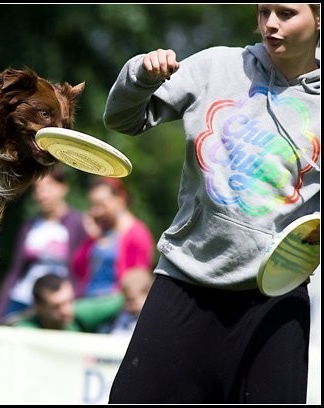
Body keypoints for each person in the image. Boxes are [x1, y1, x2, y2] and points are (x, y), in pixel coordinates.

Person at [103, 4, 320, 403]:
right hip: (187, 281)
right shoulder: (216, 66)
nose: (270, 24)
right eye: (264, 11)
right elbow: (122, 119)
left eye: (286, 13)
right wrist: (140, 76)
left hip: (275, 300)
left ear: (320, 19)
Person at [0, 165, 90, 325]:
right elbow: (15, 271)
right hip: (22, 300)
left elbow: (82, 269)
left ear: (63, 187)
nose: (41, 194)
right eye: (37, 189)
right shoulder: (29, 225)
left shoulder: (77, 223)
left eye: (48, 187)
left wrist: (75, 299)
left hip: (57, 305)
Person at [71, 177, 155, 299]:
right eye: (93, 205)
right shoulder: (100, 233)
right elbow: (77, 268)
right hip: (88, 297)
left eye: (101, 204)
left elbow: (139, 281)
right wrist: (91, 238)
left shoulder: (137, 234)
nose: (96, 211)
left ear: (120, 198)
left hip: (118, 300)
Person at [13, 273, 123, 332]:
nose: (66, 310)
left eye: (70, 301)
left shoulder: (81, 313)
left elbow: (123, 299)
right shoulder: (24, 332)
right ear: (38, 307)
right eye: (56, 307)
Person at [109, 268, 154, 334]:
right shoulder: (125, 314)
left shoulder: (150, 319)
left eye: (131, 300)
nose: (127, 306)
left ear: (148, 295)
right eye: (125, 300)